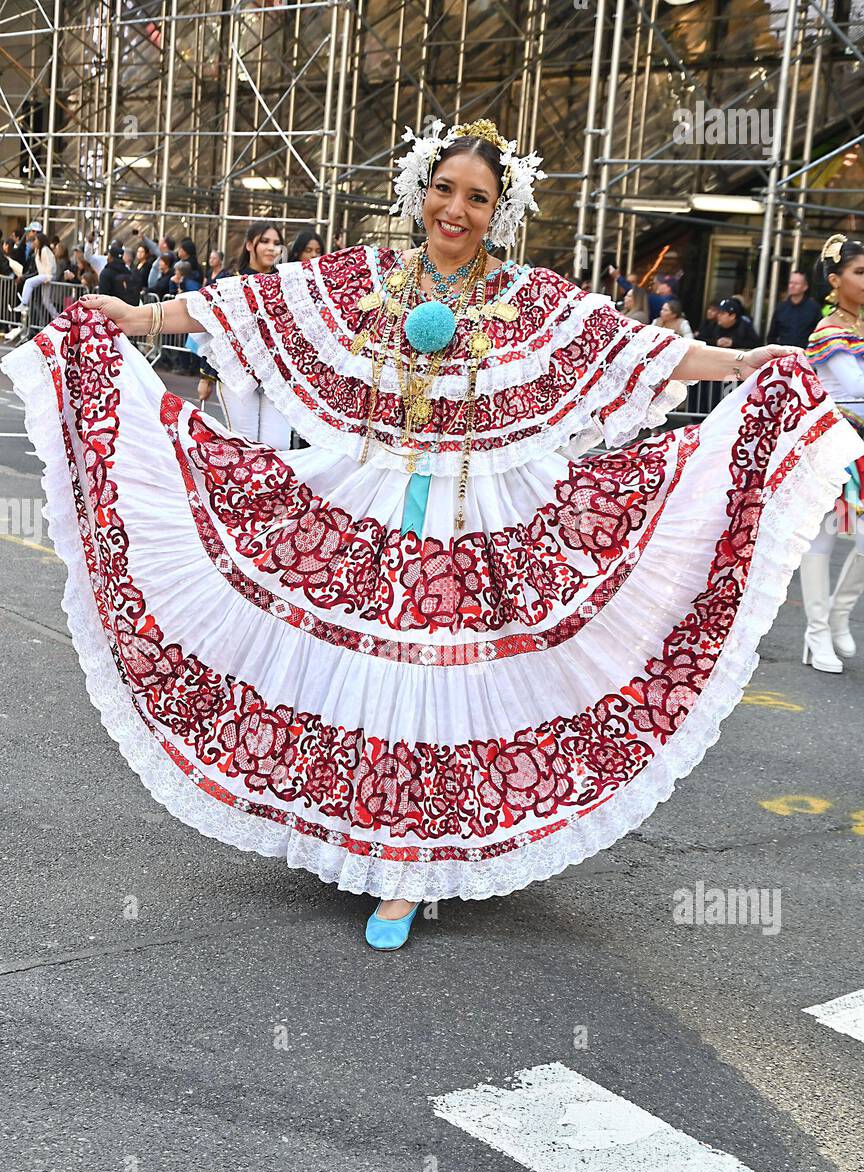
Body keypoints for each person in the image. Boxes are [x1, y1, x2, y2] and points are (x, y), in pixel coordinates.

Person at [3, 116, 861, 953]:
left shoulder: (533, 300)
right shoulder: (368, 277)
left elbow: (636, 351)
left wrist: (742, 365)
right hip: (371, 504)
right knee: (359, 675)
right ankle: (366, 833)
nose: (456, 210)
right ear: (422, 192)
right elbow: (254, 306)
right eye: (445, 190)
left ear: (500, 211)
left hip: (484, 521)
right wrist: (140, 320)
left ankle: (406, 867)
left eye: (478, 198)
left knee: (438, 689)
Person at [799, 235, 864, 673]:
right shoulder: (829, 331)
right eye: (860, 272)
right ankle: (816, 633)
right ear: (835, 280)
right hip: (837, 446)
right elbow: (857, 389)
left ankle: (840, 615)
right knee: (822, 536)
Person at [196, 220, 291, 448]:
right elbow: (212, 329)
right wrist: (205, 376)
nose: (272, 248)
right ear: (250, 245)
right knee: (244, 444)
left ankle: (271, 485)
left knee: (277, 446)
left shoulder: (285, 282)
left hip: (275, 376)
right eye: (265, 241)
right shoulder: (229, 280)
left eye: (277, 243)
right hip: (235, 375)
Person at [767, 270, 822, 348]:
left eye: (796, 284)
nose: (792, 286)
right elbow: (772, 336)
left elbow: (819, 335)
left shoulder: (814, 309)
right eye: (790, 283)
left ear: (805, 287)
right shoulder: (781, 308)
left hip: (805, 355)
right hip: (783, 355)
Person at [97, 241, 139, 305]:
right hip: (128, 310)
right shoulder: (128, 271)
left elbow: (103, 295)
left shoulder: (106, 273)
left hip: (111, 310)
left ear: (110, 257)